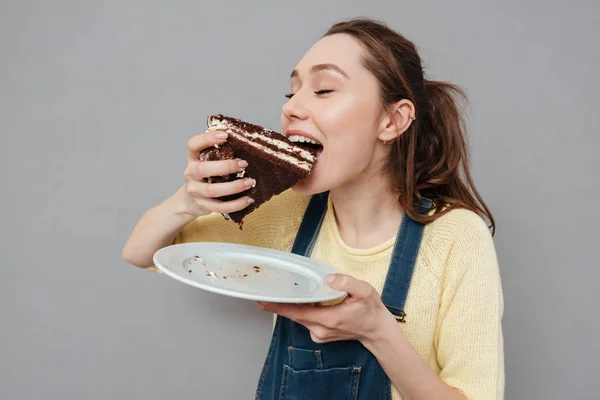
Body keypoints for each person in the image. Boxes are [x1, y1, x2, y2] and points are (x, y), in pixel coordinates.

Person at [122, 17, 504, 400]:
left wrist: (378, 331)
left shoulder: (455, 237)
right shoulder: (288, 212)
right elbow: (141, 251)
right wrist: (188, 201)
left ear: (392, 120)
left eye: (323, 89)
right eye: (291, 94)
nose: (292, 109)